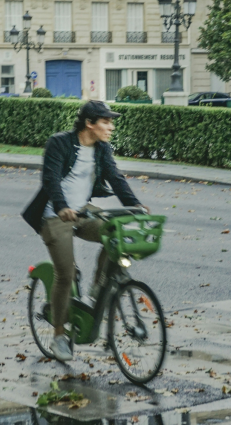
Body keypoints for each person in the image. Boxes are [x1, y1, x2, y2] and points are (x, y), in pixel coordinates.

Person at [22, 100, 148, 362]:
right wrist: (61, 207)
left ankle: (97, 289)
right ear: (89, 123)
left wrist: (135, 205)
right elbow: (51, 179)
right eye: (106, 122)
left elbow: (115, 177)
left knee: (116, 234)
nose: (111, 127)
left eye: (111, 122)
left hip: (83, 211)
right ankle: (59, 336)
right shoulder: (60, 143)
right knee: (65, 274)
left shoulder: (102, 148)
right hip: (55, 215)